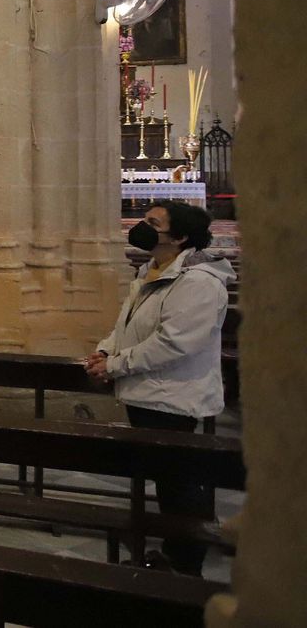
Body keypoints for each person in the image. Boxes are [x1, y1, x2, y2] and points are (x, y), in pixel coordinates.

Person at [85, 201, 232, 576]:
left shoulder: (199, 283)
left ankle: (186, 568)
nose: (142, 227)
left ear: (180, 237)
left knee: (179, 484)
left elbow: (173, 343)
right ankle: (175, 555)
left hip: (175, 396)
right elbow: (129, 323)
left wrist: (115, 365)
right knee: (167, 480)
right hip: (148, 391)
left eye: (153, 224)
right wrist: (105, 349)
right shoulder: (151, 269)